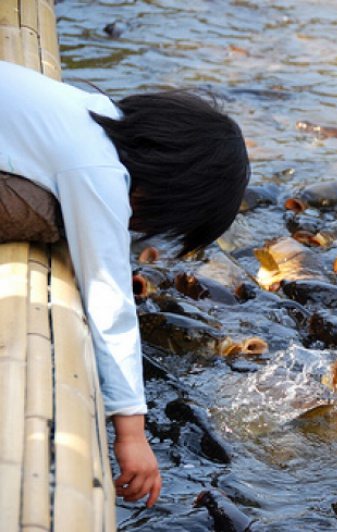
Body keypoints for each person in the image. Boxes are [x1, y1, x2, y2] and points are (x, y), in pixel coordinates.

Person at [0, 60, 250, 507]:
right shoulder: (96, 171)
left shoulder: (87, 113)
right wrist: (131, 432)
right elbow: (108, 300)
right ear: (172, 190)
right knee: (51, 215)